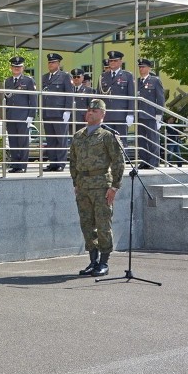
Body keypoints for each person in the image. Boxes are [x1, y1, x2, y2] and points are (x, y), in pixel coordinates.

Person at [69, 98, 124, 277]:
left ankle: (104, 262)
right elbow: (73, 161)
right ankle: (93, 261)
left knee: (102, 224)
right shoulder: (78, 135)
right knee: (86, 224)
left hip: (101, 185)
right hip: (83, 186)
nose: (90, 112)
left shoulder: (107, 136)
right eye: (89, 110)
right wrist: (76, 183)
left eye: (95, 110)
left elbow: (118, 161)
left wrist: (114, 186)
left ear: (102, 114)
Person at [4, 56, 37, 173]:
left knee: (22, 142)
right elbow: (6, 99)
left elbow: (33, 99)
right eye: (14, 66)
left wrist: (31, 115)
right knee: (12, 141)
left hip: (23, 116)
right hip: (11, 116)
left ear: (23, 68)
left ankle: (22, 166)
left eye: (19, 66)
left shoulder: (28, 81)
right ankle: (15, 164)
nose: (16, 68)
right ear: (11, 67)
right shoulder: (7, 81)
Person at [41, 53, 72, 172]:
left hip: (60, 113)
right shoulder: (44, 77)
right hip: (47, 112)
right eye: (49, 62)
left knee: (61, 139)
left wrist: (67, 110)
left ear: (58, 64)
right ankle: (53, 162)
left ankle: (60, 163)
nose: (50, 64)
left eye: (53, 62)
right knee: (50, 139)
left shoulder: (64, 76)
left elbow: (69, 94)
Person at [136, 58, 166, 168]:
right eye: (140, 67)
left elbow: (160, 99)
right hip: (140, 115)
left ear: (149, 68)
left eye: (143, 67)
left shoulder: (155, 81)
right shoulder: (137, 82)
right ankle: (144, 161)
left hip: (151, 115)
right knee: (141, 140)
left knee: (153, 140)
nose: (141, 69)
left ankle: (154, 161)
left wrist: (159, 115)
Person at [98, 50, 135, 137]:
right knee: (106, 142)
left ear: (120, 62)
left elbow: (131, 96)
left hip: (121, 114)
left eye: (115, 61)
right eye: (111, 61)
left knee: (121, 142)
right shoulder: (103, 76)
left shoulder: (127, 76)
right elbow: (98, 96)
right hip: (107, 114)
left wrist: (130, 114)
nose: (112, 63)